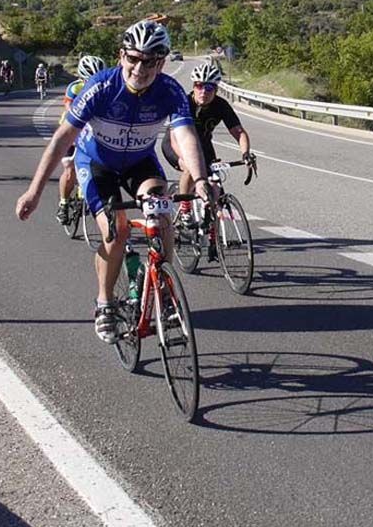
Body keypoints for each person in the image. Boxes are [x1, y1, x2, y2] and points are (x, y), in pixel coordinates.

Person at [16, 20, 211, 342]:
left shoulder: (170, 91)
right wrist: (34, 191)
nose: (140, 67)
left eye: (150, 61)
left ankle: (163, 293)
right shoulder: (102, 87)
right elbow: (62, 137)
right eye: (133, 58)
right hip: (97, 164)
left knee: (162, 217)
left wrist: (200, 179)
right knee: (116, 230)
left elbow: (185, 135)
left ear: (161, 62)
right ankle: (105, 302)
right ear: (121, 56)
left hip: (139, 162)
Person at [161, 61, 255, 221]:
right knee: (191, 168)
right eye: (199, 86)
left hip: (204, 145)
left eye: (209, 87)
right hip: (174, 143)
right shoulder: (184, 103)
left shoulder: (221, 105)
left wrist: (245, 153)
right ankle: (185, 209)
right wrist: (185, 158)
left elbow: (239, 132)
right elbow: (175, 137)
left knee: (215, 186)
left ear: (216, 89)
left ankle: (213, 233)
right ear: (194, 86)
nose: (203, 91)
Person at [55, 54, 107, 225]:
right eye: (89, 79)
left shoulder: (106, 87)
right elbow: (70, 108)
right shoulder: (75, 88)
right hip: (71, 130)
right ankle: (63, 204)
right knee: (69, 167)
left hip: (91, 132)